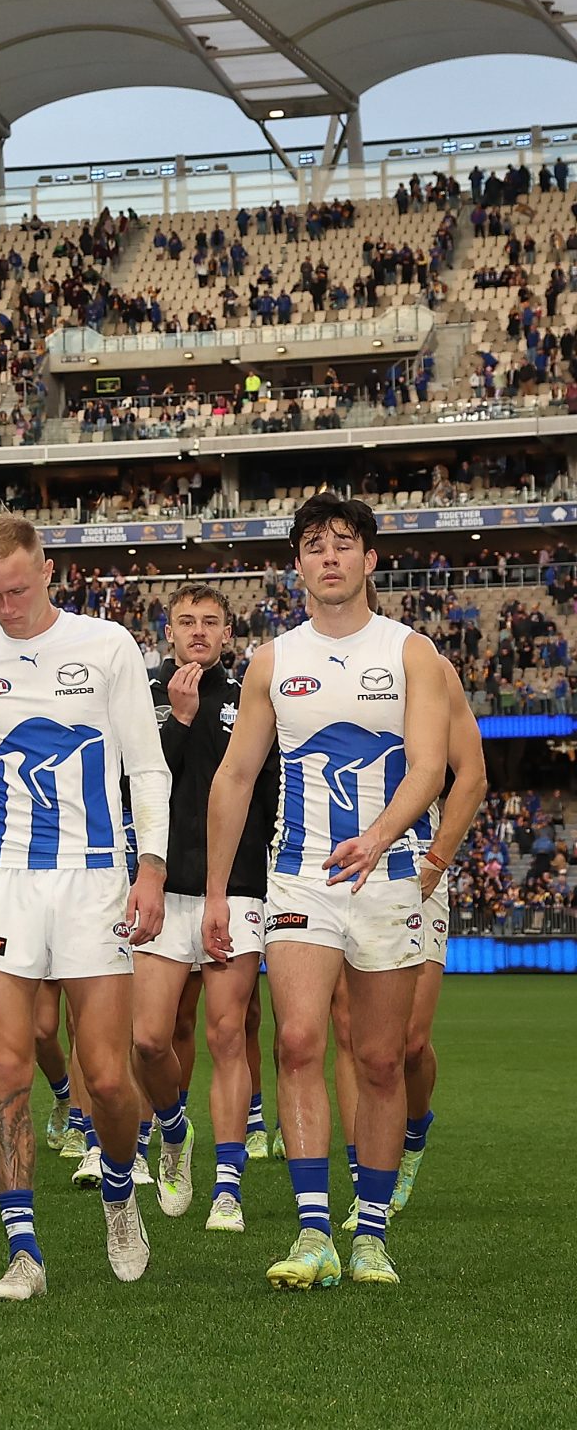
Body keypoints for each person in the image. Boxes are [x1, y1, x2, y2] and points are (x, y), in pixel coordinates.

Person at [204, 494, 448, 1290]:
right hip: (301, 874)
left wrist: (379, 840)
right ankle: (314, 1233)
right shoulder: (274, 661)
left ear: (371, 559)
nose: (330, 557)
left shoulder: (412, 653)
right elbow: (237, 775)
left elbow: (429, 770)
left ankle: (370, 1233)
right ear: (298, 564)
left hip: (391, 875)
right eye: (314, 546)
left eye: (345, 544)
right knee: (299, 1041)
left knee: (379, 1059)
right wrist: (214, 892)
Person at [0, 513, 171, 1302]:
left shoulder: (106, 646)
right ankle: (23, 1252)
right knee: (7, 1063)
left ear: (47, 570)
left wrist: (151, 866)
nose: (5, 607)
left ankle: (117, 1188)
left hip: (94, 876)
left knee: (106, 1078)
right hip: (4, 881)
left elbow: (147, 766)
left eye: (16, 589)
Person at [330, 646, 484, 1235]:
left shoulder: (427, 665)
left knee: (410, 1042)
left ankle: (413, 1133)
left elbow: (470, 773)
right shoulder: (305, 663)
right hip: (334, 866)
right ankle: (364, 1176)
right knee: (348, 1030)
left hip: (413, 866)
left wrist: (438, 861)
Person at [144, 582, 278, 1233]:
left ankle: (229, 1187)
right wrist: (181, 720)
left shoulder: (253, 699)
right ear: (168, 632)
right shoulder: (145, 699)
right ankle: (175, 1132)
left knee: (227, 1033)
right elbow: (136, 787)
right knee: (150, 1039)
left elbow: (263, 794)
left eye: (210, 623)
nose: (197, 632)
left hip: (240, 887)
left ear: (228, 633)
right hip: (161, 890)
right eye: (185, 622)